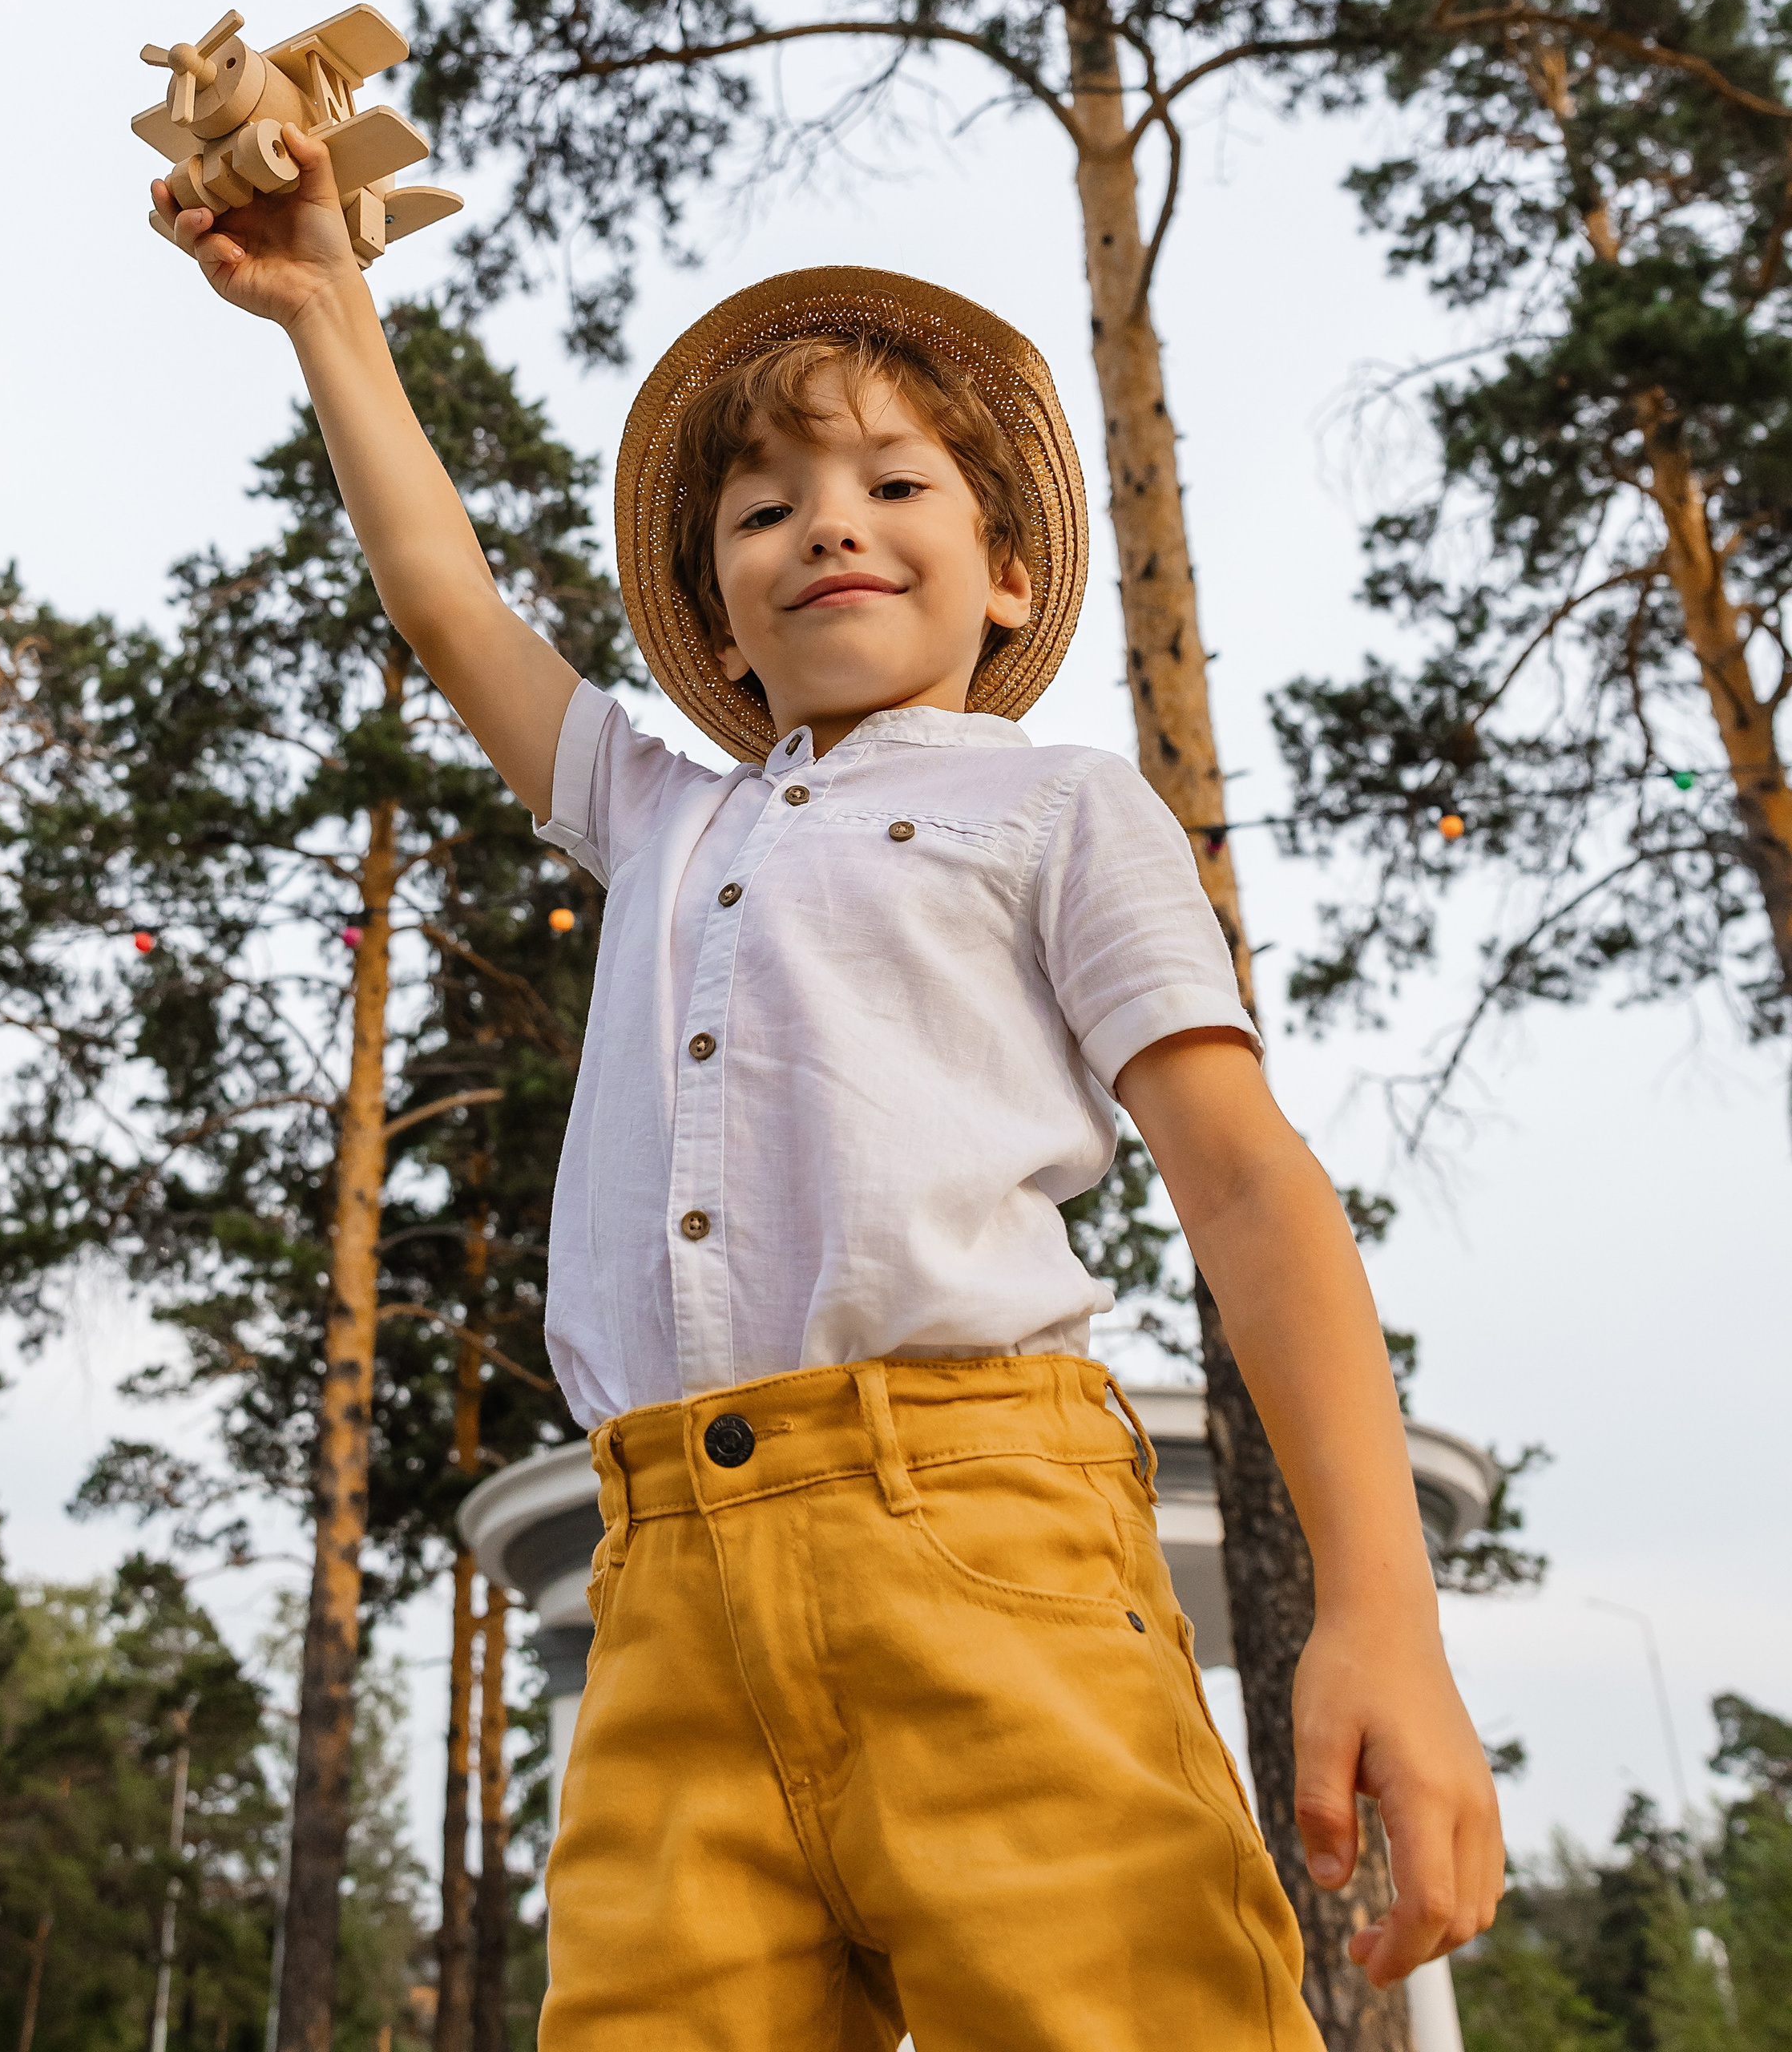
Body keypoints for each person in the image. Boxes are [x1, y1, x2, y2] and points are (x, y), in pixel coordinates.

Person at [153, 125, 1503, 2049]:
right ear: (711, 617)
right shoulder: (658, 809)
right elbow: (447, 600)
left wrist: (1380, 1612)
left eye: (890, 481)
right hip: (662, 1599)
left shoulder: (1054, 805)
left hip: (981, 1539)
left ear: (1005, 569)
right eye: (760, 510)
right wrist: (325, 310)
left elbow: (1243, 1186)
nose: (826, 523)